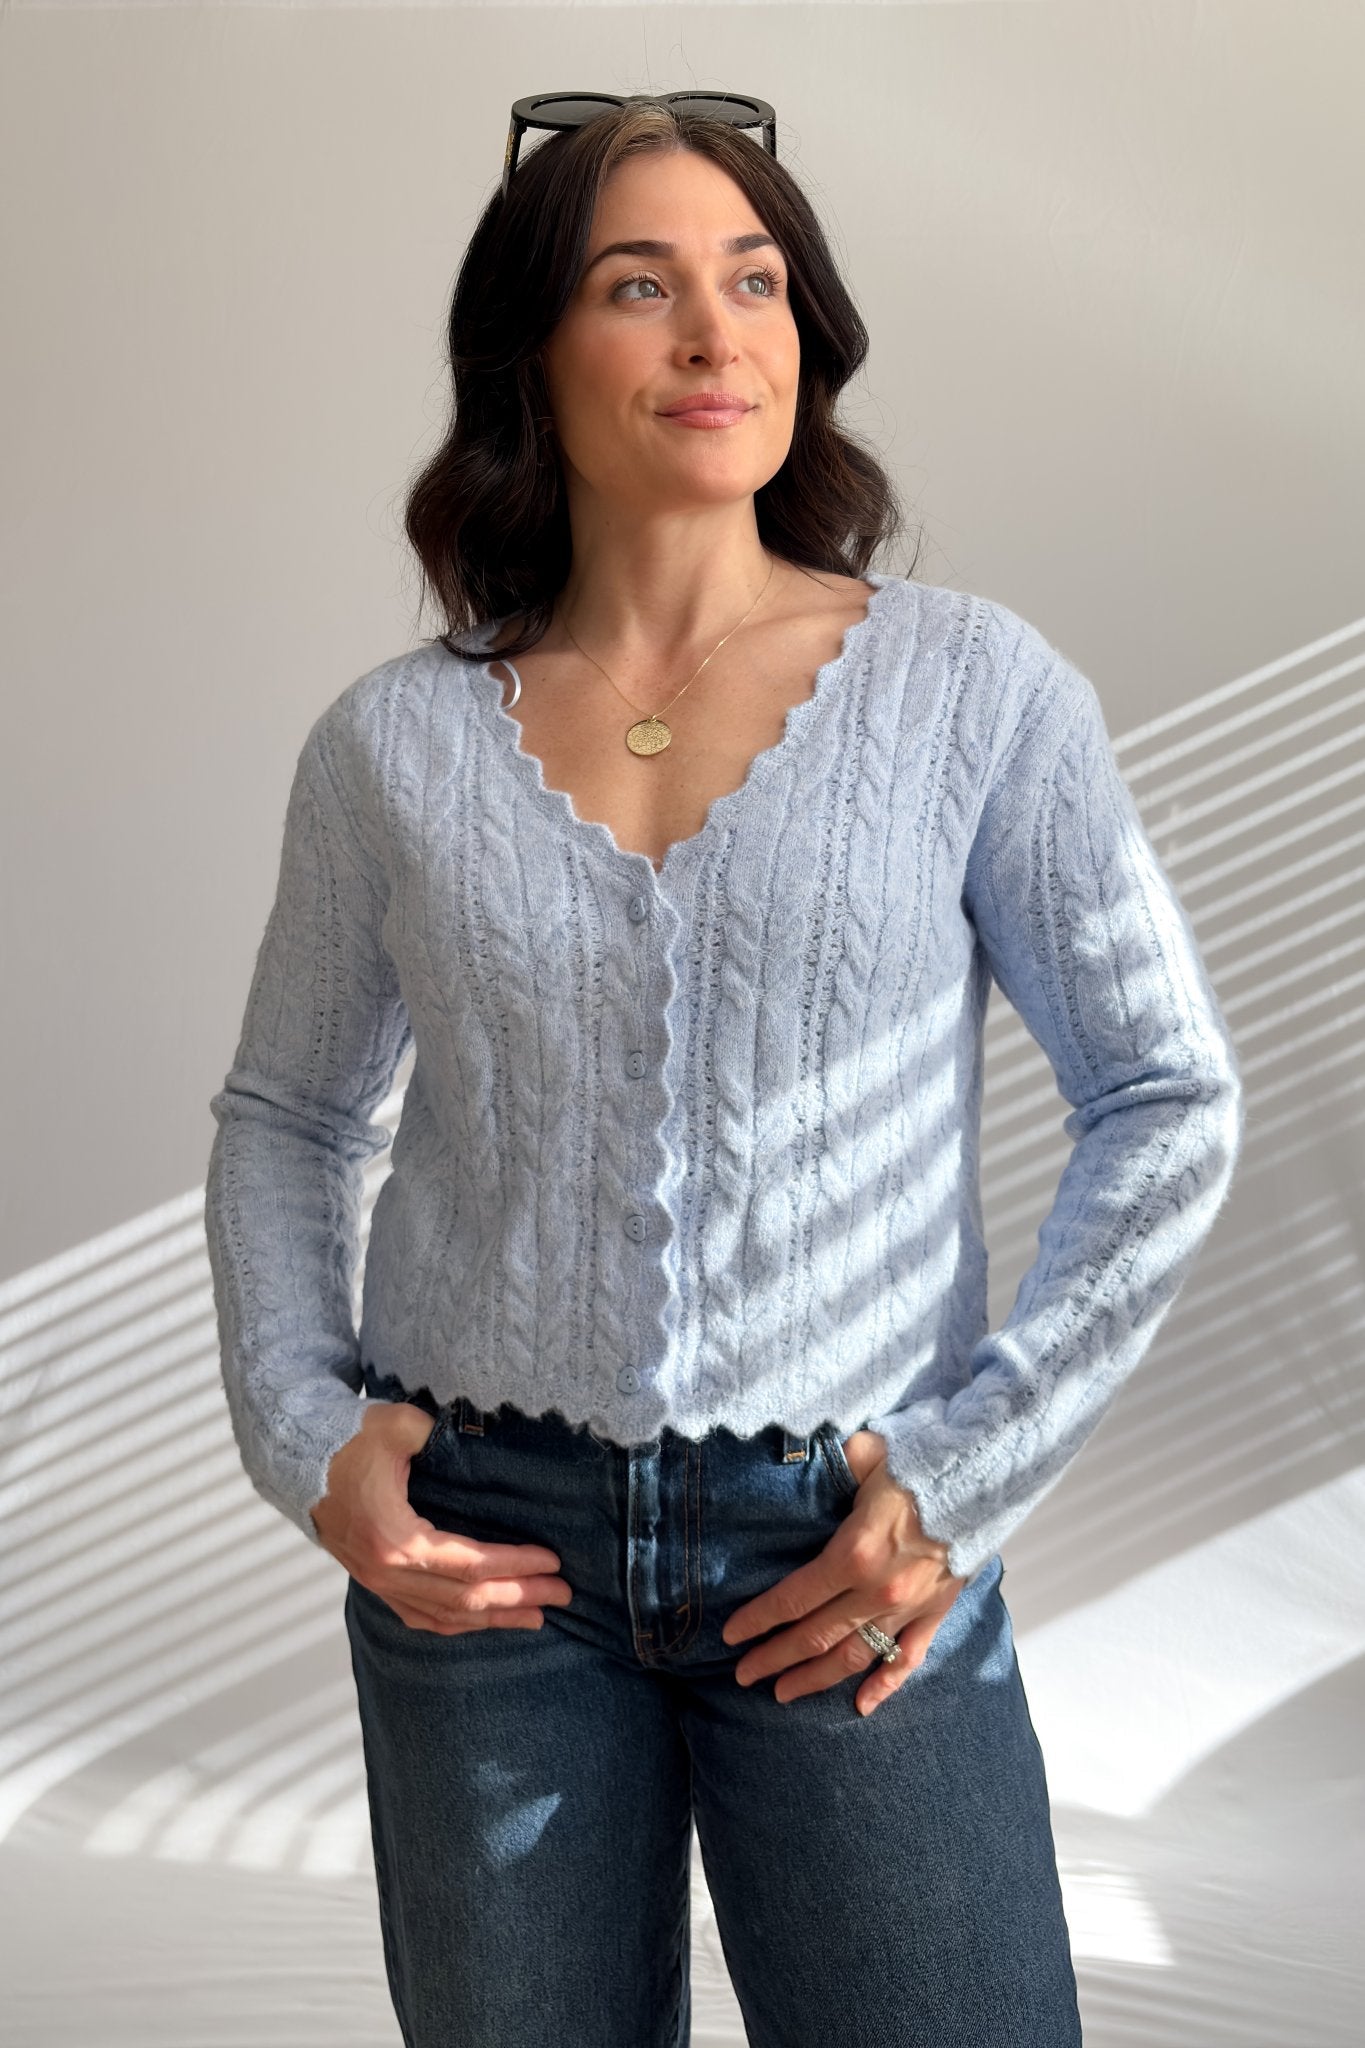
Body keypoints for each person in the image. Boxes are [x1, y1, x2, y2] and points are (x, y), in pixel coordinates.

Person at [204, 94, 1243, 2048]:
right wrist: (305, 1432)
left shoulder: (970, 692)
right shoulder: (392, 746)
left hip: (839, 1533)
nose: (713, 333)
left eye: (753, 281)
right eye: (638, 285)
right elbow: (288, 1114)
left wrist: (966, 1472)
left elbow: (1161, 1094)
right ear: (529, 352)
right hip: (485, 1547)